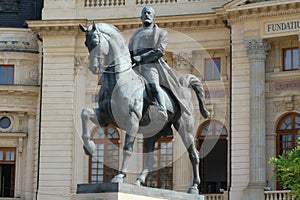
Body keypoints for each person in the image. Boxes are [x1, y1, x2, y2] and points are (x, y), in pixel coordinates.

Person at [128, 6, 190, 119]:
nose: (147, 15)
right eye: (144, 13)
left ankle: (162, 108)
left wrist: (141, 58)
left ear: (153, 17)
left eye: (149, 13)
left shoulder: (161, 33)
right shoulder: (135, 35)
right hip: (135, 68)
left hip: (151, 66)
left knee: (154, 85)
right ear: (140, 17)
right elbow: (129, 52)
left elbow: (159, 51)